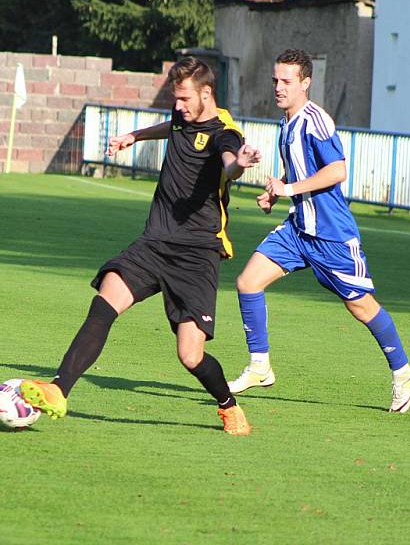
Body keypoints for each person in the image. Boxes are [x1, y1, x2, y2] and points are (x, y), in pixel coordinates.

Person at [19, 57, 262, 436]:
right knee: (103, 305)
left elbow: (228, 161)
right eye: (175, 98)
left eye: (183, 98)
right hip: (153, 242)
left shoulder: (225, 132)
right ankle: (58, 389)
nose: (177, 105)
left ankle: (228, 406)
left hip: (196, 254)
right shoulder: (183, 114)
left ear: (206, 93)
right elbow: (174, 126)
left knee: (190, 355)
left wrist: (240, 165)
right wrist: (136, 136)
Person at [228, 48, 410, 413]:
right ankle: (259, 365)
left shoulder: (316, 121)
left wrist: (289, 190)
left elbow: (337, 171)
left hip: (330, 235)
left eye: (286, 81)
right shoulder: (287, 122)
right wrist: (277, 191)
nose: (278, 87)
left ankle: (402, 371)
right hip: (298, 231)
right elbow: (301, 172)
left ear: (305, 83)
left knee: (361, 307)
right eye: (275, 80)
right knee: (247, 282)